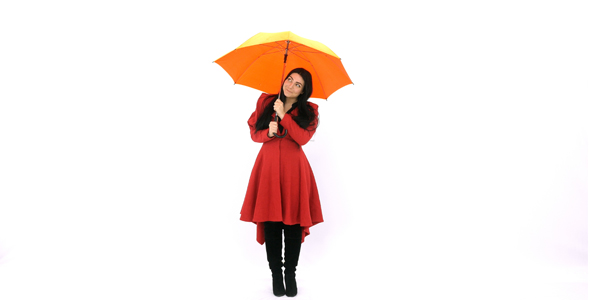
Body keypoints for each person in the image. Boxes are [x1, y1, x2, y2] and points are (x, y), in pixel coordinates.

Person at [240, 68, 324, 297]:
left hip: (294, 171)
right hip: (267, 168)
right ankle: (276, 275)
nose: (291, 85)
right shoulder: (267, 101)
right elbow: (254, 134)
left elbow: (303, 139)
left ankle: (290, 274)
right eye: (290, 79)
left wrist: (284, 115)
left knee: (293, 224)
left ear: (303, 91)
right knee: (272, 222)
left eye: (298, 84)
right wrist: (268, 131)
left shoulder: (310, 110)